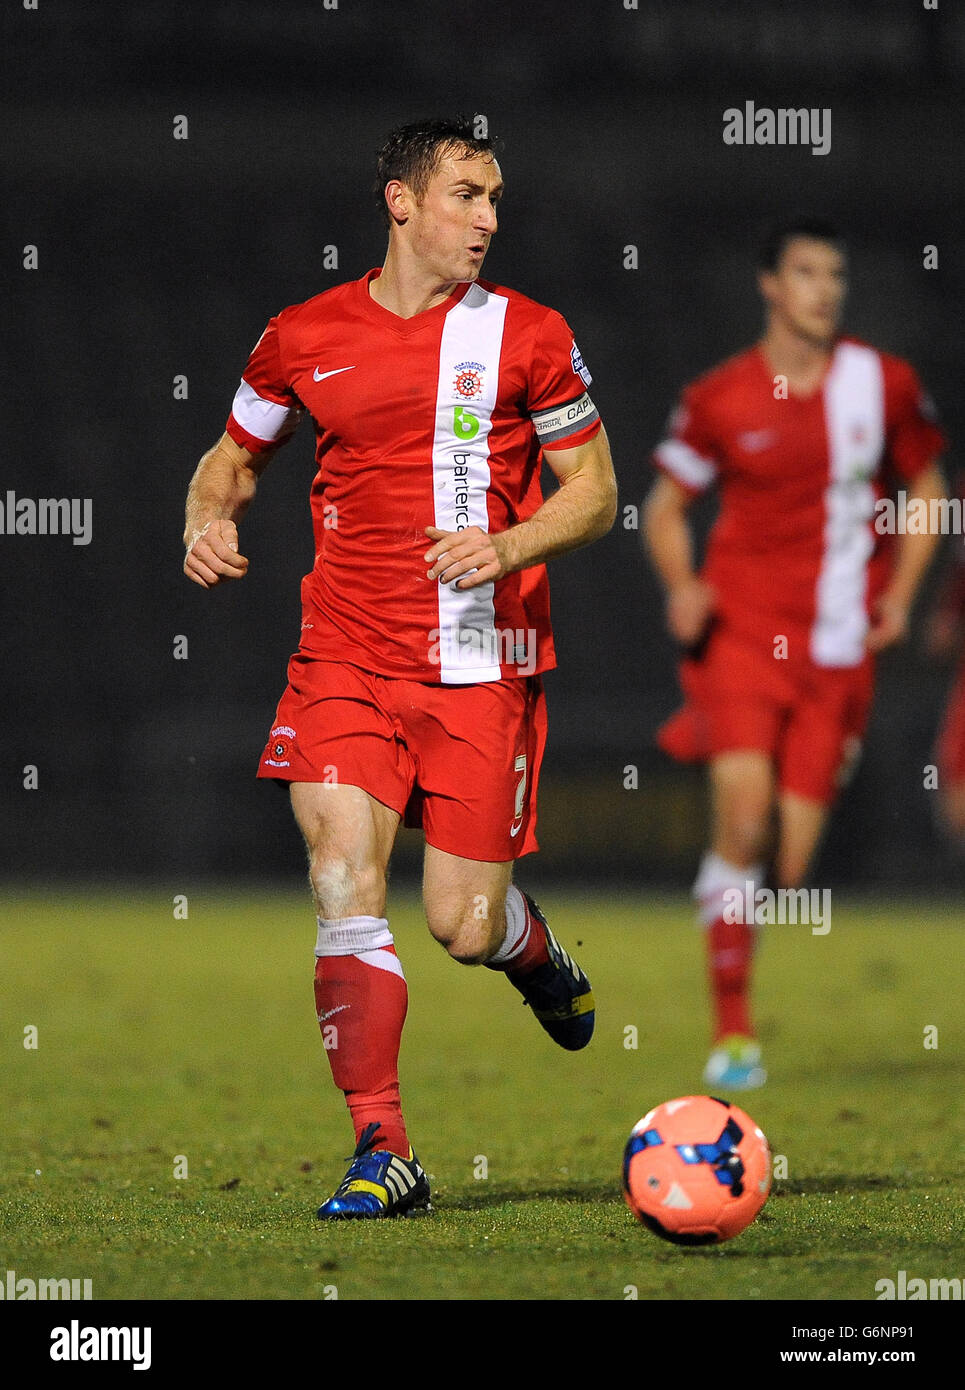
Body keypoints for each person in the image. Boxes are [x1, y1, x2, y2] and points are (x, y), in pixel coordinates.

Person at [182, 117, 617, 1219]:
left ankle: (530, 954)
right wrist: (203, 518)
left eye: (494, 199)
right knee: (340, 874)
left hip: (481, 664)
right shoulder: (300, 335)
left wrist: (508, 544)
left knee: (460, 924)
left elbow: (595, 490)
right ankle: (385, 1148)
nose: (488, 219)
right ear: (400, 202)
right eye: (468, 195)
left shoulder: (527, 334)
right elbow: (232, 460)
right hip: (343, 656)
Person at [642, 216, 946, 1090]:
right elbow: (663, 507)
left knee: (790, 859)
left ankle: (732, 910)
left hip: (839, 648)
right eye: (806, 272)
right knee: (742, 818)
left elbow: (926, 487)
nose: (824, 289)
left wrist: (898, 594)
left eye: (835, 274)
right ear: (769, 285)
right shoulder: (722, 397)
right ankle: (732, 1033)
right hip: (739, 636)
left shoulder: (880, 386)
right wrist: (682, 586)